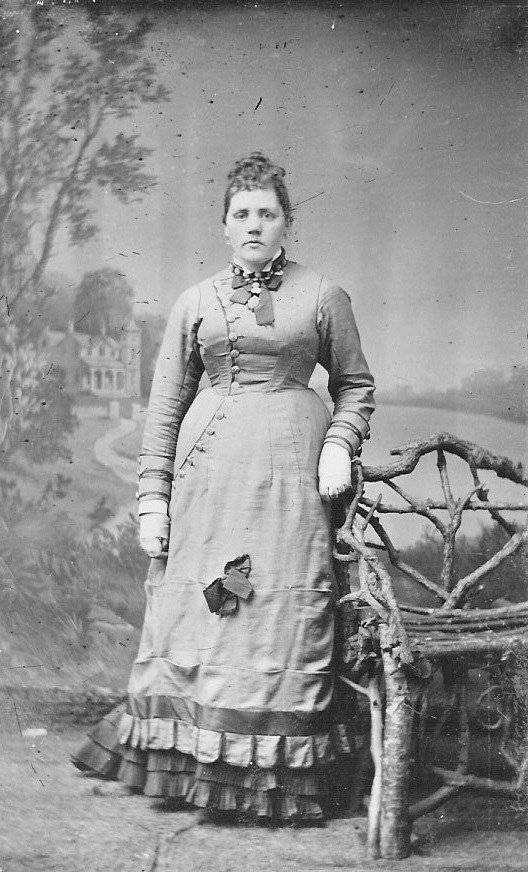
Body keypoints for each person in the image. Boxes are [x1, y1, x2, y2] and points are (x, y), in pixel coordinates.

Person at [73, 152, 375, 823]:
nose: (254, 225)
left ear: (286, 221)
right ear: (225, 224)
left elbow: (355, 386)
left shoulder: (324, 295)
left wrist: (338, 443)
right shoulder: (194, 301)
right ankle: (193, 764)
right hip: (208, 478)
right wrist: (153, 494)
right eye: (242, 213)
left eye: (267, 213)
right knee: (210, 605)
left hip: (292, 480)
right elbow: (164, 404)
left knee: (278, 605)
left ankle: (275, 774)